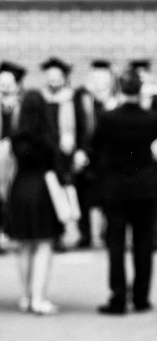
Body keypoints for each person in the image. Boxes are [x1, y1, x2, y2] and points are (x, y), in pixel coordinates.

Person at [91, 69, 157, 314]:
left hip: (116, 188)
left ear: (120, 89)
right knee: (144, 243)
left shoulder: (107, 117)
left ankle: (118, 297)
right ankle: (142, 298)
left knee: (116, 244)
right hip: (145, 187)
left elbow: (96, 145)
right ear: (140, 89)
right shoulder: (152, 118)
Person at [5, 90, 66, 314]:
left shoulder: (17, 136)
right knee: (43, 245)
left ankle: (26, 296)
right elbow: (57, 164)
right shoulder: (48, 136)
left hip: (20, 189)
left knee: (24, 245)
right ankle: (39, 298)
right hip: (43, 191)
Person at [71, 59, 115, 248]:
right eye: (95, 78)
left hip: (109, 157)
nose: (99, 83)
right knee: (88, 196)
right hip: (87, 154)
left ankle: (108, 234)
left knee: (108, 197)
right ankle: (89, 235)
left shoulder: (114, 101)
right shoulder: (82, 98)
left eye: (103, 79)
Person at [0, 61, 26, 250]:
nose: (5, 86)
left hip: (16, 157)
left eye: (9, 82)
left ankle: (14, 231)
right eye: (1, 82)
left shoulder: (23, 106)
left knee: (14, 194)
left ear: (17, 85)